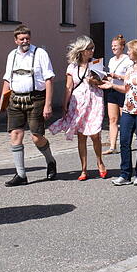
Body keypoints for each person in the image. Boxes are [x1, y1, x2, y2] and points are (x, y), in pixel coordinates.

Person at [0, 25, 57, 185]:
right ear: (15, 40)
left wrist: (48, 104)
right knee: (15, 134)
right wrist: (2, 101)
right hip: (15, 99)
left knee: (36, 137)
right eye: (21, 39)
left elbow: (49, 80)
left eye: (27, 38)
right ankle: (21, 175)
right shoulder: (12, 55)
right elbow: (7, 79)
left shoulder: (40, 53)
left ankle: (50, 161)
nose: (24, 41)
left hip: (36, 99)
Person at [48, 36, 106, 180]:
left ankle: (100, 162)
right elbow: (69, 86)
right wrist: (65, 104)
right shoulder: (72, 67)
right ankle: (84, 169)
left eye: (93, 48)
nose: (92, 50)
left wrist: (95, 81)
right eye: (89, 48)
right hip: (78, 103)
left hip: (94, 101)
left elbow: (103, 81)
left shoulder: (97, 63)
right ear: (82, 50)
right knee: (81, 136)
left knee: (95, 134)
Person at [101, 39, 137, 186]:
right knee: (124, 141)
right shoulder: (130, 68)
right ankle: (125, 174)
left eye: (129, 50)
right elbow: (127, 89)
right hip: (128, 109)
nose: (127, 52)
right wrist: (112, 85)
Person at [103, 35, 130, 155]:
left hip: (123, 90)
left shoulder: (128, 60)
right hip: (112, 90)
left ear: (122, 47)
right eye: (112, 45)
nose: (113, 48)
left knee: (124, 120)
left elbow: (129, 77)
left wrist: (117, 76)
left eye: (115, 46)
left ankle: (126, 143)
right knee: (112, 119)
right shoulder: (111, 60)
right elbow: (110, 75)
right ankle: (112, 146)